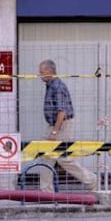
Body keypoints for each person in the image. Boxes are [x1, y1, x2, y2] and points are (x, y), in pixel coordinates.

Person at [38, 59, 97, 192]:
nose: (39, 75)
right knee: (46, 156)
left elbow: (62, 111)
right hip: (55, 124)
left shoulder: (57, 87)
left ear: (50, 71)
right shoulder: (51, 84)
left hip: (61, 125)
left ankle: (91, 180)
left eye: (42, 72)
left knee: (64, 158)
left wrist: (55, 132)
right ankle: (46, 191)